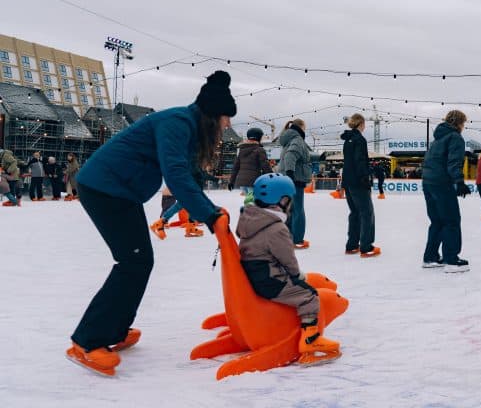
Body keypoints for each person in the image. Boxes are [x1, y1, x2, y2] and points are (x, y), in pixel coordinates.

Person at [66, 70, 235, 376]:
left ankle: (114, 331)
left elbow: (189, 172)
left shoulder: (187, 127)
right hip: (104, 188)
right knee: (132, 262)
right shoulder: (176, 123)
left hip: (119, 191)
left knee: (139, 261)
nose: (228, 124)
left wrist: (209, 208)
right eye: (226, 117)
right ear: (212, 115)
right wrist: (209, 215)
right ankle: (87, 341)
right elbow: (175, 173)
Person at [238, 173, 340, 365]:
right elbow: (288, 261)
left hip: (255, 275)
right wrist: (297, 276)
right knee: (309, 295)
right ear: (282, 200)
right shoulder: (276, 228)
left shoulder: (248, 219)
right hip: (269, 281)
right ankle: (311, 340)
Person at [421, 110, 471, 273]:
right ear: (459, 123)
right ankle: (451, 259)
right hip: (442, 184)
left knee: (437, 221)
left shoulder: (437, 139)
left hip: (428, 183)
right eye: (463, 123)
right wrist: (460, 182)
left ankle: (430, 257)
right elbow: (453, 163)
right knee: (451, 220)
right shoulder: (455, 137)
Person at [341, 114, 379, 257]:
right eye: (364, 123)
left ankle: (352, 245)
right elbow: (360, 160)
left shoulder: (347, 140)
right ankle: (366, 246)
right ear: (360, 124)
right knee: (366, 212)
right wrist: (365, 177)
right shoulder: (359, 139)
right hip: (358, 181)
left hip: (348, 181)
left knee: (355, 212)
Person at [276, 118, 312, 249]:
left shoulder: (288, 140)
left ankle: (288, 238)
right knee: (298, 210)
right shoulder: (297, 140)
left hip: (286, 179)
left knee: (289, 209)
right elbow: (290, 156)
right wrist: (290, 174)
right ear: (301, 127)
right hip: (294, 180)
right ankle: (297, 239)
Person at [228, 127, 272, 194]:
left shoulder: (242, 150)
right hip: (254, 181)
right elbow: (265, 166)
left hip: (242, 181)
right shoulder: (259, 150)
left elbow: (235, 168)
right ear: (258, 137)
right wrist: (272, 177)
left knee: (248, 201)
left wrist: (231, 181)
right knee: (254, 201)